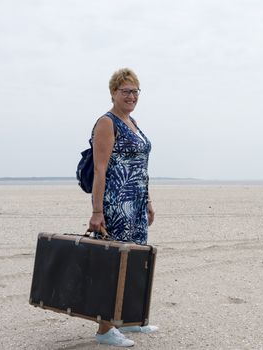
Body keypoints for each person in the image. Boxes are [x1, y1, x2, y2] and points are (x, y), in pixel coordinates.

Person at [88, 68, 157, 347]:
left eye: (135, 91)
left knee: (135, 263)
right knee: (113, 264)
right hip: (117, 205)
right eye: (125, 91)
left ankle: (127, 319)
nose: (131, 96)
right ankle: (105, 329)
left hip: (138, 203)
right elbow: (100, 170)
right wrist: (97, 211)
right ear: (113, 93)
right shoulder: (107, 123)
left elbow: (141, 167)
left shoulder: (133, 122)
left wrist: (148, 200)